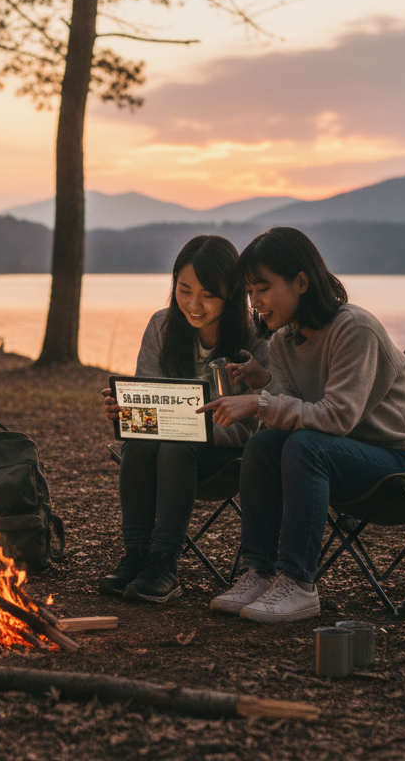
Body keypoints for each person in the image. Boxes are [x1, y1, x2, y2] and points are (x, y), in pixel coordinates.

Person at [197, 227, 405, 623]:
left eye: (262, 288)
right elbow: (291, 414)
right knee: (263, 445)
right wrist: (266, 398)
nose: (254, 302)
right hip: (342, 455)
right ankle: (259, 572)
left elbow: (336, 417)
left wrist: (259, 402)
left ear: (301, 282)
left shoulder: (354, 329)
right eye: (248, 292)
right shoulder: (283, 342)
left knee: (304, 445)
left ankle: (298, 582)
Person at [100, 235, 269, 603]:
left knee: (177, 444)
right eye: (184, 289)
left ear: (230, 293)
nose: (194, 304)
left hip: (227, 452)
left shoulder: (253, 338)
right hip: (164, 444)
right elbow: (151, 402)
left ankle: (164, 561)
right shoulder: (162, 327)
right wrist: (128, 412)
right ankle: (137, 554)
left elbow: (253, 424)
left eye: (208, 294)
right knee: (139, 443)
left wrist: (195, 427)